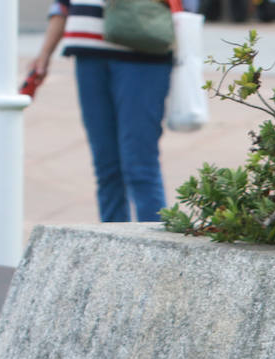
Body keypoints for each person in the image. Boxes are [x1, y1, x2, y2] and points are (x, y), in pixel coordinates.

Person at [28, 0, 174, 222]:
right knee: (106, 168)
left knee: (140, 165)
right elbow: (63, 5)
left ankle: (159, 250)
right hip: (87, 53)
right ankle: (112, 250)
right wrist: (44, 53)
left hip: (143, 51)